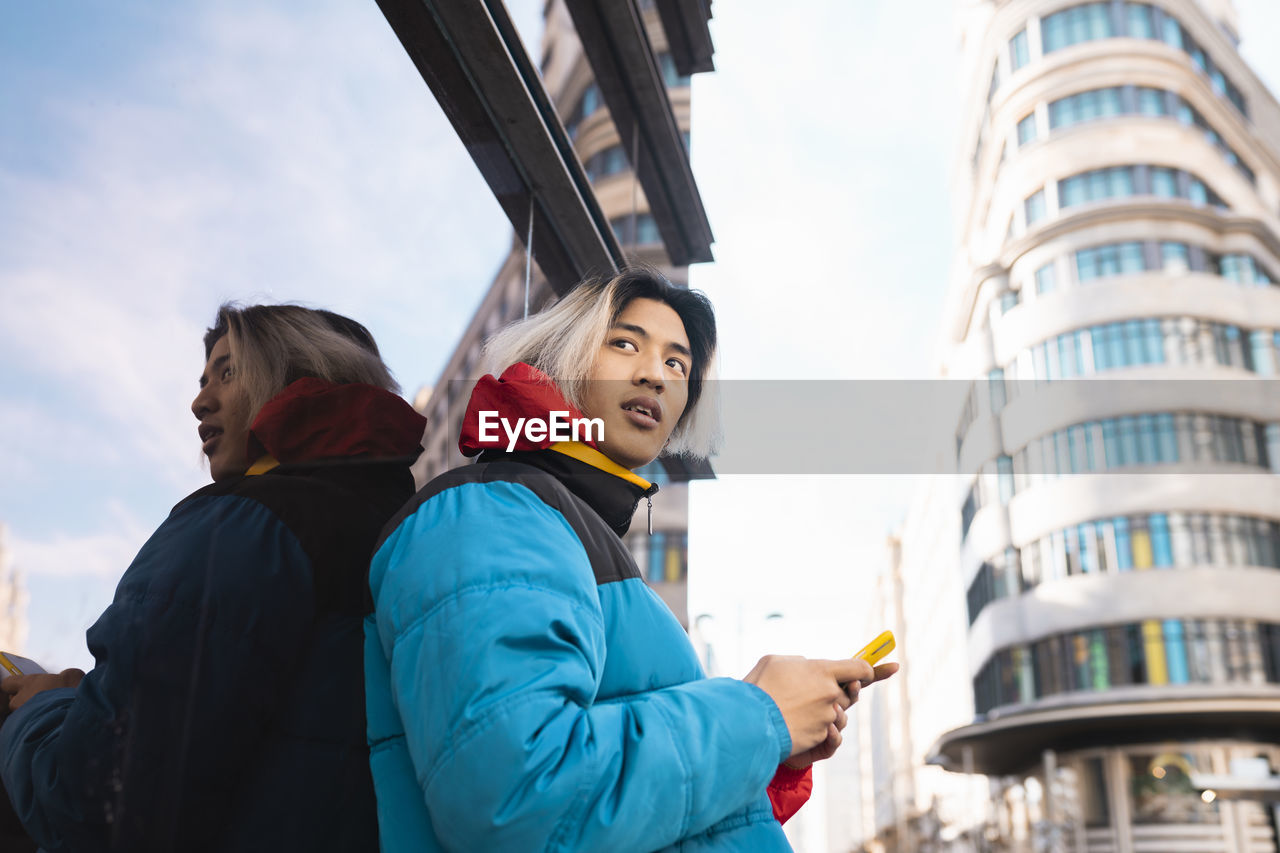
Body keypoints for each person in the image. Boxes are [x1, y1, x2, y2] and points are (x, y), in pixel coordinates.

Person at [364, 268, 898, 851]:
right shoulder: (496, 511)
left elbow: (641, 818)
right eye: (624, 343)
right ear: (557, 357)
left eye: (678, 364)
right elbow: (519, 803)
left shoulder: (562, 521)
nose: (655, 374)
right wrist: (759, 714)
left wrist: (774, 743)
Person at [0, 304, 427, 852]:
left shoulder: (243, 526)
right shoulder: (398, 530)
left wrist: (39, 710)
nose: (199, 401)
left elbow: (93, 799)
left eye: (228, 372)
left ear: (298, 372)